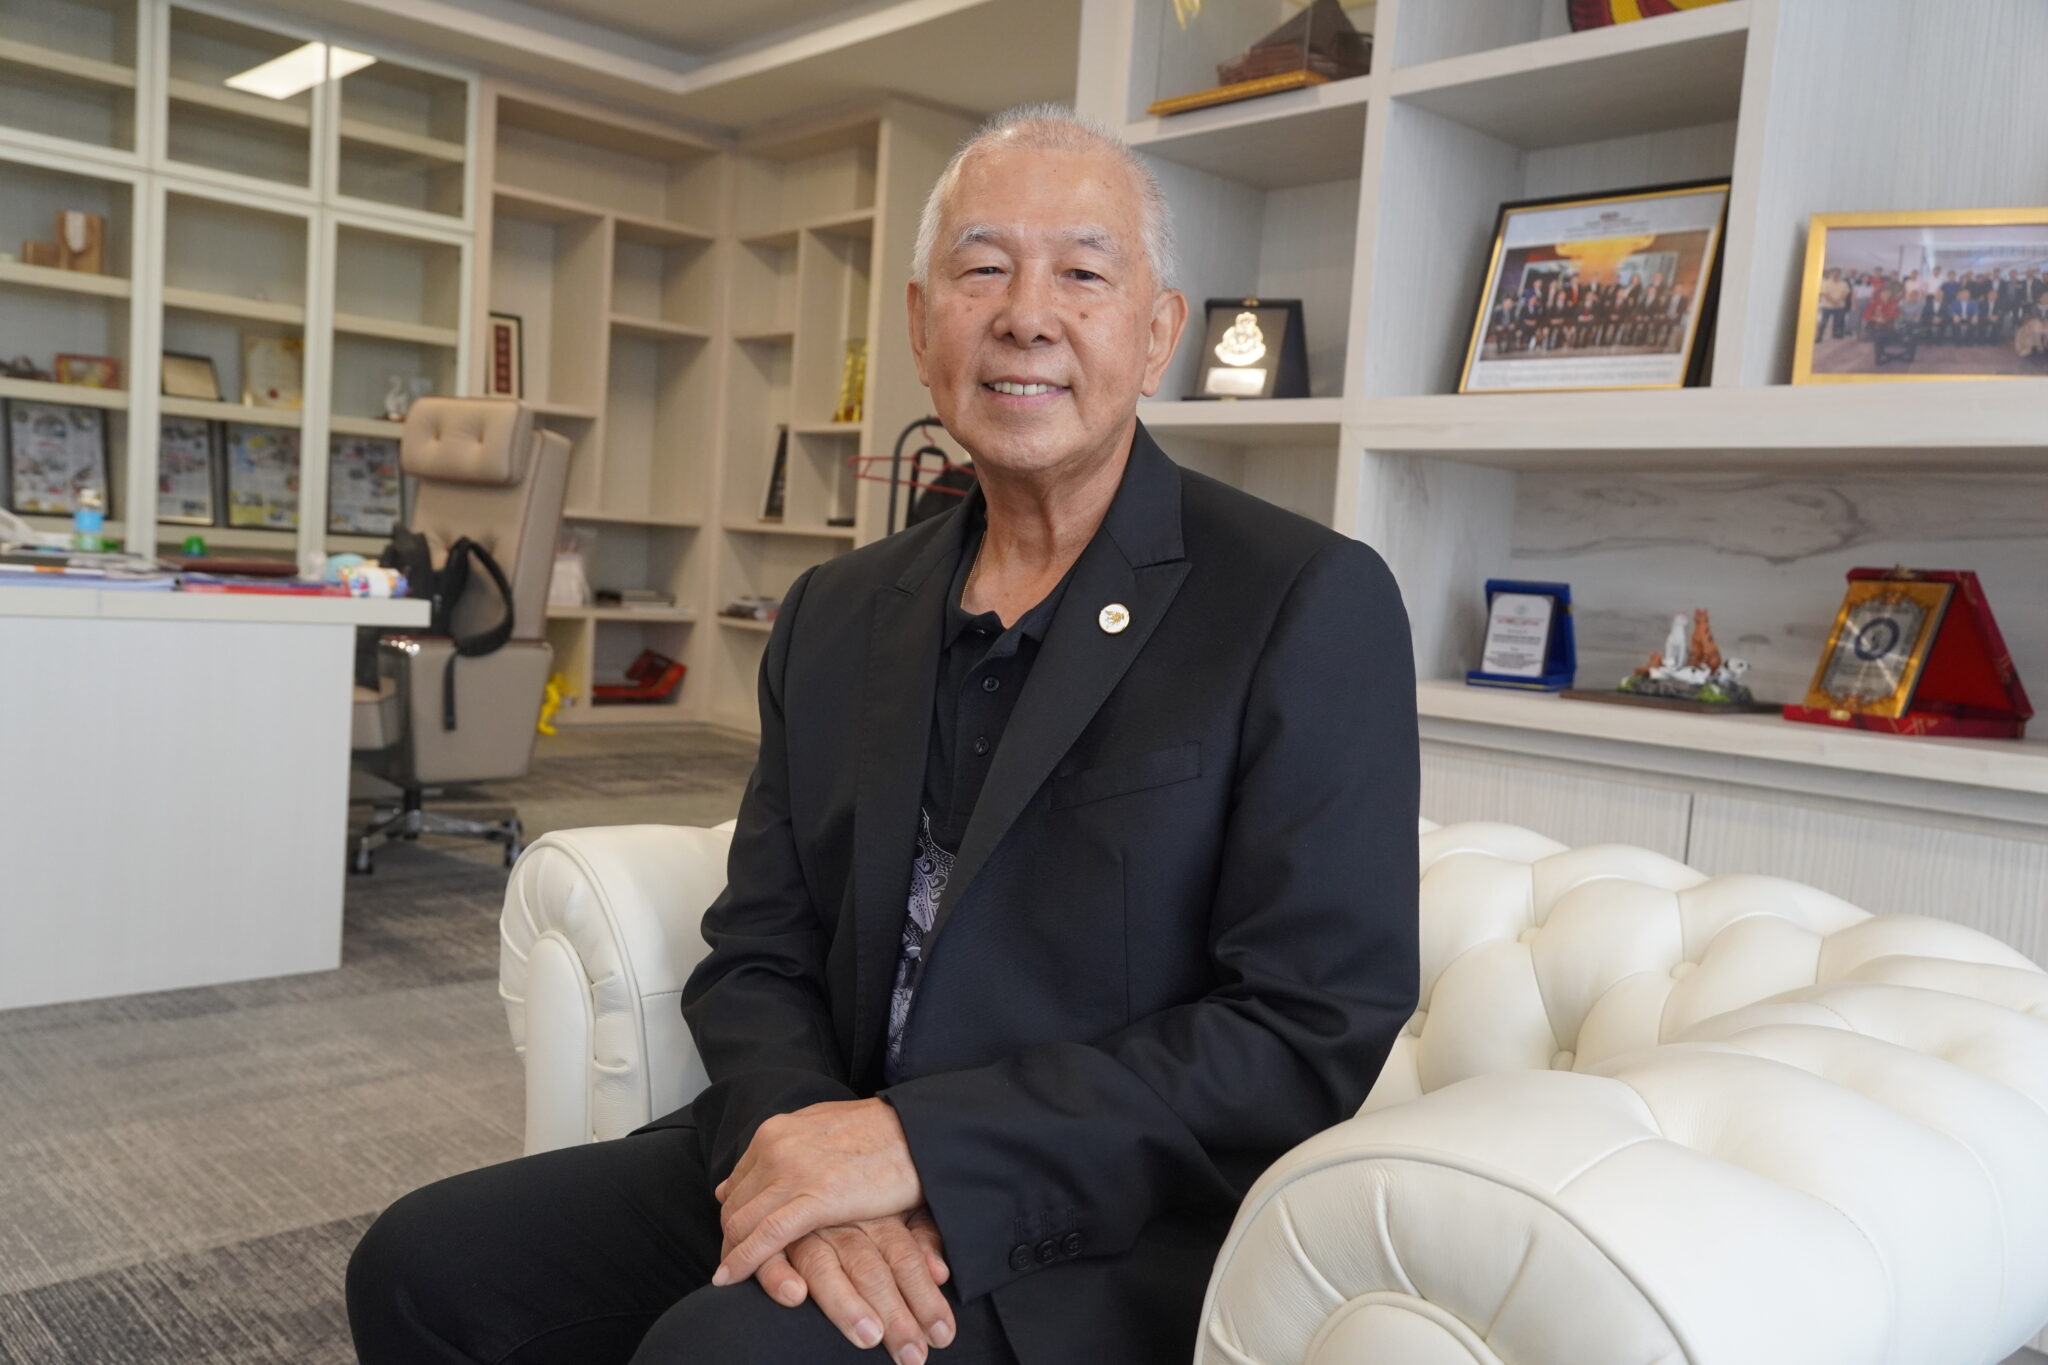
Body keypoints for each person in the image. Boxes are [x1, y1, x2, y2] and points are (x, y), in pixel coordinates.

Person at [344, 104, 1421, 1365]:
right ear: (919, 325)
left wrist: (917, 1150)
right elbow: (758, 947)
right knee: (422, 1270)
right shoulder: (836, 609)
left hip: (1081, 1212)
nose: (1025, 316)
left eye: (1082, 273)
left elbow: (1304, 1024)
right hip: (823, 1130)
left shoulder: (1299, 599)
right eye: (981, 269)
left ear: (1157, 332)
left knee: (720, 1357)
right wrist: (807, 1139)